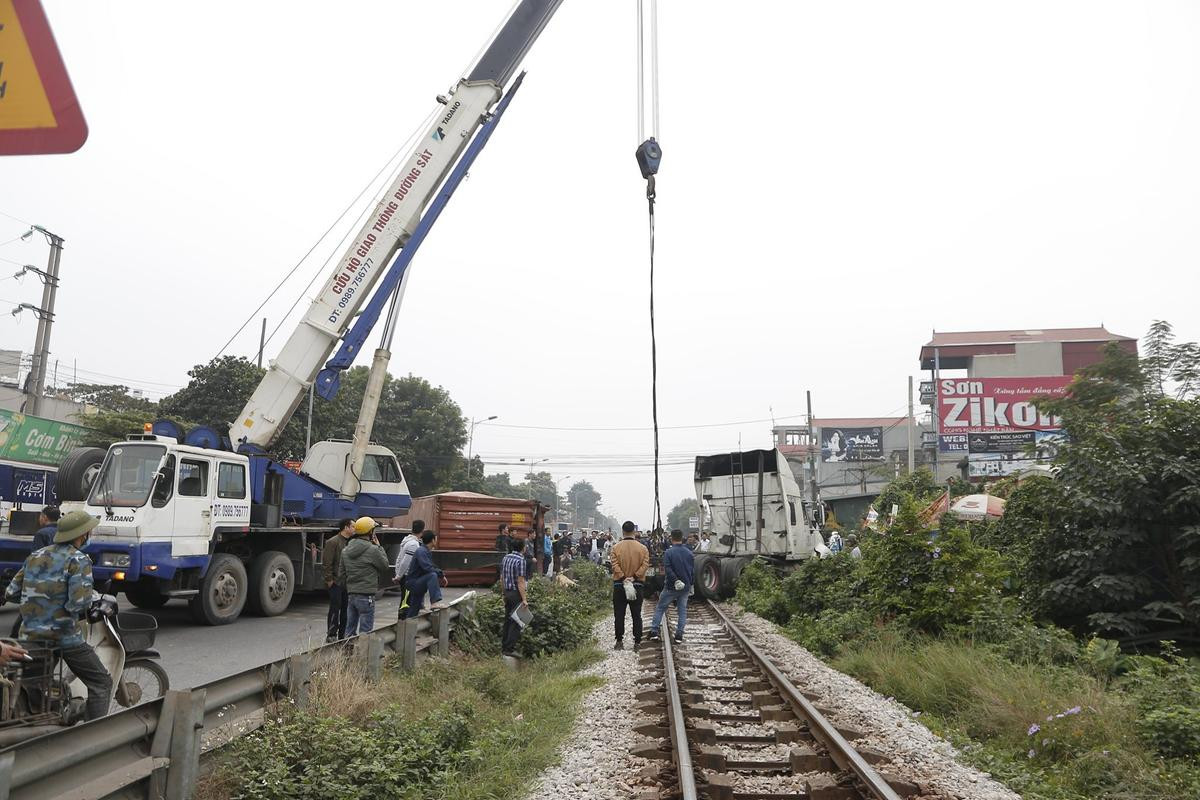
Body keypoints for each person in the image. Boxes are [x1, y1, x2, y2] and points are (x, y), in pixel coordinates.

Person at [4, 510, 112, 720]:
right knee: (101, 683)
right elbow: (78, 603)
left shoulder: (35, 556)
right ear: (83, 535)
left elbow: (12, 593)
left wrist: (39, 602)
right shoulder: (78, 559)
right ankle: (95, 735)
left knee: (36, 682)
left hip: (30, 636)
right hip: (63, 637)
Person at [338, 516, 393, 636]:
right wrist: (379, 546)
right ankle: (362, 654)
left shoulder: (345, 550)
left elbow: (341, 574)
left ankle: (347, 652)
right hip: (366, 595)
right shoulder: (373, 550)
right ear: (370, 532)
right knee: (365, 631)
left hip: (351, 594)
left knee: (349, 629)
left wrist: (350, 587)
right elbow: (385, 566)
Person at [610, 520, 650, 650]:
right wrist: (634, 577)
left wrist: (623, 577)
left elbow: (614, 565)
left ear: (623, 531)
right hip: (637, 585)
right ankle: (637, 643)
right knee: (636, 615)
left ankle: (619, 642)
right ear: (634, 532)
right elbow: (645, 565)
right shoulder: (643, 549)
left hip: (619, 586)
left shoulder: (616, 548)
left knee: (619, 614)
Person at [649, 529, 694, 643]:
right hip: (685, 586)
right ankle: (679, 635)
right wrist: (691, 584)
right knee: (682, 610)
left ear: (671, 538)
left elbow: (668, 569)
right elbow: (692, 570)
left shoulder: (669, 552)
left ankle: (654, 631)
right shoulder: (689, 552)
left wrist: (676, 580)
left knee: (661, 607)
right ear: (682, 537)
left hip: (671, 586)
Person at [322, 518, 355, 642]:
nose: (354, 529)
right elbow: (327, 562)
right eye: (353, 526)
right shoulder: (333, 542)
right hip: (336, 582)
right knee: (335, 608)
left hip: (348, 582)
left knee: (346, 610)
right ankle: (331, 634)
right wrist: (329, 580)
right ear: (346, 528)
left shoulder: (352, 542)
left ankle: (343, 635)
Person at [405, 530, 448, 618]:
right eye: (436, 539)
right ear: (432, 540)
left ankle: (405, 626)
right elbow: (427, 567)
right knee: (432, 575)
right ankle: (434, 602)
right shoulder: (421, 551)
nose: (436, 540)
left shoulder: (426, 551)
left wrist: (441, 574)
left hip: (418, 582)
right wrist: (440, 575)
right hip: (414, 583)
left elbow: (432, 565)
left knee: (414, 610)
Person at [500, 537, 529, 657]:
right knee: (517, 620)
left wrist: (503, 593)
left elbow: (501, 577)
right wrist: (524, 599)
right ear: (523, 548)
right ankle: (509, 648)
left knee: (507, 619)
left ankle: (504, 646)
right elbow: (520, 581)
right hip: (516, 593)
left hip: (507, 592)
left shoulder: (506, 558)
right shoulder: (521, 560)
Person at [394, 519, 425, 615]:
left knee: (405, 601)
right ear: (422, 530)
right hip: (408, 577)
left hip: (405, 576)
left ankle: (402, 623)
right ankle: (403, 624)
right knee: (406, 603)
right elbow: (405, 562)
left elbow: (399, 559)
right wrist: (399, 576)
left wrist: (398, 574)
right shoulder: (413, 544)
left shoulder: (407, 541)